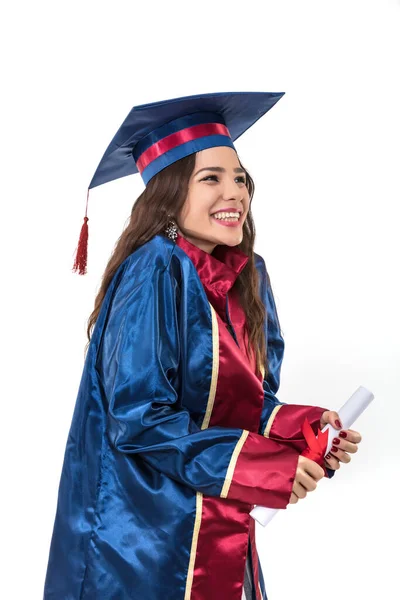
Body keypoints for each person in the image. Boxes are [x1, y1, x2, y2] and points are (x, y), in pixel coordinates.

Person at [43, 92, 362, 600]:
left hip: (217, 529)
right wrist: (264, 466)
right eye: (210, 178)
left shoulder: (246, 276)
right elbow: (140, 419)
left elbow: (239, 407)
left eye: (240, 178)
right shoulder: (156, 266)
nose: (233, 192)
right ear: (167, 195)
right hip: (142, 541)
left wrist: (303, 430)